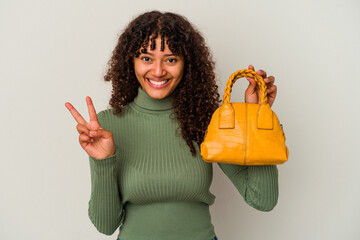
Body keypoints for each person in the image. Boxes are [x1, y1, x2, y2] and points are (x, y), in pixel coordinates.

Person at [65, 10, 278, 240]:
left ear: (187, 64)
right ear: (131, 61)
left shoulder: (208, 121)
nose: (158, 71)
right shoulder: (106, 126)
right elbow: (105, 225)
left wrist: (256, 121)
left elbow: (262, 199)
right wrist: (103, 162)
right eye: (146, 58)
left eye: (171, 59)